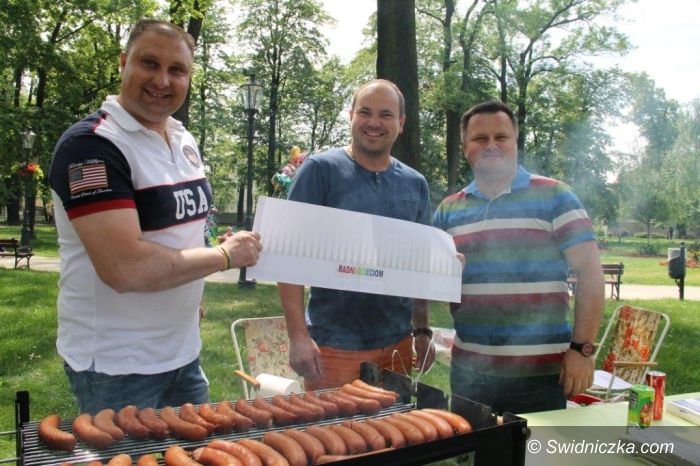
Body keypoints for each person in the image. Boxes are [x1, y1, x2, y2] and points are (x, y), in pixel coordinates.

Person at [48, 19, 262, 414]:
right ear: (123, 62)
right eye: (149, 63)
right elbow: (124, 267)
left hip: (183, 353)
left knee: (197, 447)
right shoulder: (91, 146)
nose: (162, 80)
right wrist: (224, 256)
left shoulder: (182, 138)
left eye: (177, 70)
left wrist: (191, 290)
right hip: (117, 366)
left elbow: (181, 233)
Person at [433, 101, 604, 414]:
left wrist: (582, 349)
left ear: (515, 141)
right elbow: (430, 282)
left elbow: (590, 272)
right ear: (465, 147)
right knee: (476, 446)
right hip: (470, 373)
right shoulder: (448, 210)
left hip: (540, 376)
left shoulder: (555, 196)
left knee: (535, 447)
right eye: (480, 138)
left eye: (501, 137)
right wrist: (440, 274)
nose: (491, 145)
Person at [278, 79, 435, 391]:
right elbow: (287, 255)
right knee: (332, 425)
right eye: (365, 112)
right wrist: (298, 336)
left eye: (386, 115)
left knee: (396, 423)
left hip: (398, 344)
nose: (374, 122)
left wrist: (421, 330)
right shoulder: (320, 171)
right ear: (351, 116)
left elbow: (419, 265)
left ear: (401, 123)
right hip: (334, 347)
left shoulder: (416, 184)